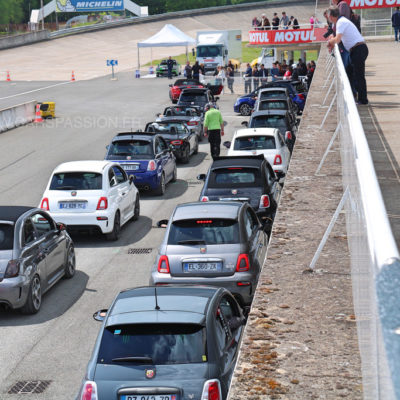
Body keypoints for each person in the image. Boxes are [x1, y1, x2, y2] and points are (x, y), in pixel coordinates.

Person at [327, 6, 369, 104]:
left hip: (358, 49)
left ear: (331, 16)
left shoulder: (340, 22)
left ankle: (363, 99)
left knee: (359, 76)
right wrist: (332, 39)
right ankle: (353, 94)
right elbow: (337, 37)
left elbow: (337, 39)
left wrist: (329, 42)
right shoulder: (341, 21)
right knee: (350, 71)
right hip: (357, 49)